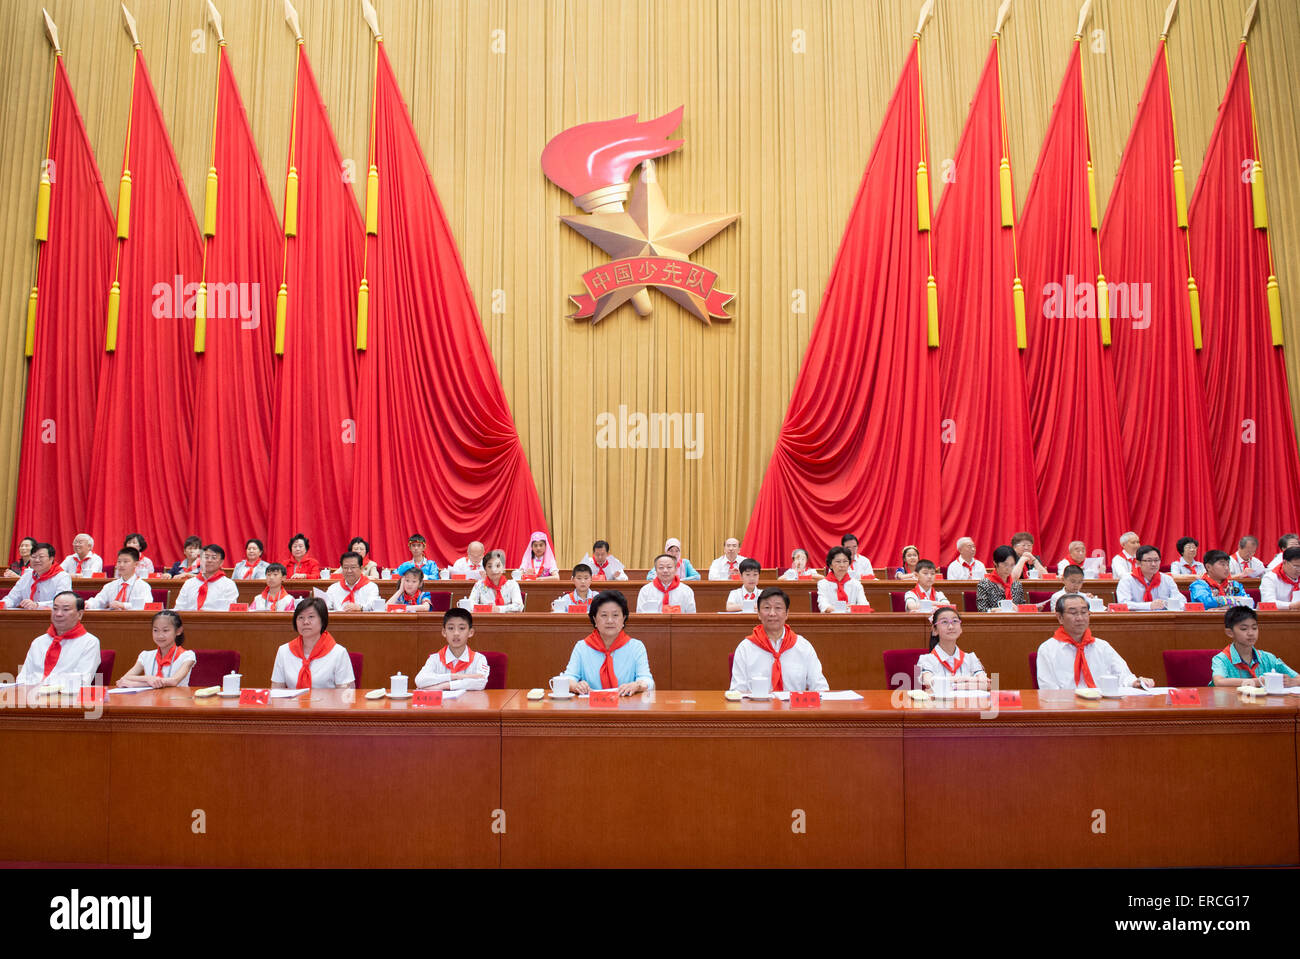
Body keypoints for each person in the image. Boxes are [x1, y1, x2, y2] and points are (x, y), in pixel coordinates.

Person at [1036, 594, 1154, 690]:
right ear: (1060, 617)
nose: (1080, 618)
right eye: (1073, 613)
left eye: (1084, 612)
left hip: (1102, 708)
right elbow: (1048, 689)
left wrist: (1135, 682)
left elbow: (1123, 674)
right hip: (1067, 711)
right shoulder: (1047, 649)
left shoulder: (1102, 646)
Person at [729, 587, 828, 693]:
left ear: (787, 614)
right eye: (766, 607)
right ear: (758, 613)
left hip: (794, 709)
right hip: (757, 708)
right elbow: (737, 693)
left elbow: (820, 687)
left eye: (778, 608)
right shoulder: (745, 648)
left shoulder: (803, 646)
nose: (772, 613)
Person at [560, 590, 653, 695]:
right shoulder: (582, 647)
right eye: (604, 615)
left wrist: (637, 685)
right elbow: (568, 678)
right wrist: (576, 686)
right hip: (591, 707)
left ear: (624, 619)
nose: (609, 620)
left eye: (615, 615)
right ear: (595, 620)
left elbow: (648, 680)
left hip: (625, 707)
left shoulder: (636, 647)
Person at [15, 591, 100, 686]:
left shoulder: (90, 642)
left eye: (66, 609)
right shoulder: (39, 642)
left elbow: (81, 681)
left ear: (80, 614)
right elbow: (22, 678)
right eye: (55, 609)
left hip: (67, 698)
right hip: (32, 697)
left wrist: (42, 684)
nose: (58, 614)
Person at [272, 598, 355, 689]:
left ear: (322, 621)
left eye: (311, 617)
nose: (305, 622)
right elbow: (277, 690)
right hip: (293, 703)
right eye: (300, 617)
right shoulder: (284, 651)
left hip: (328, 703)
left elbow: (347, 695)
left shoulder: (338, 653)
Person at [1210, 606, 1299, 687]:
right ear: (1230, 632)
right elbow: (1219, 682)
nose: (1251, 633)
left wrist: (1293, 682)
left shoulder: (1268, 658)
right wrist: (1258, 681)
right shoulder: (1221, 659)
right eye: (1244, 629)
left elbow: (1297, 678)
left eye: (1254, 628)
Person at [415, 608, 490, 690]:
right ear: (444, 632)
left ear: (470, 632)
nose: (456, 633)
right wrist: (455, 676)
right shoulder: (435, 658)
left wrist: (445, 686)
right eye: (451, 628)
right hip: (442, 703)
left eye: (462, 628)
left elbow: (481, 682)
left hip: (468, 702)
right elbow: (420, 680)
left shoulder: (479, 658)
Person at [116, 610, 195, 688]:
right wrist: (147, 678)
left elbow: (173, 681)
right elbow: (125, 678)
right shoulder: (145, 655)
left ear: (178, 631)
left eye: (165, 630)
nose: (160, 635)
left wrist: (135, 684)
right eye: (155, 630)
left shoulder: (187, 656)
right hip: (150, 699)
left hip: (176, 699)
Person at [916, 607, 988, 691]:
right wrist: (969, 681)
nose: (951, 626)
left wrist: (954, 686)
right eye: (944, 622)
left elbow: (986, 685)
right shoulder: (927, 660)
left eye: (955, 621)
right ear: (935, 630)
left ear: (961, 629)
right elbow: (930, 683)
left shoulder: (971, 658)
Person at [3, 542, 71, 609]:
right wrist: (3, 604)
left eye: (41, 557)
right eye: (33, 557)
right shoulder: (26, 576)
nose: (37, 560)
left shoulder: (62, 577)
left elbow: (63, 602)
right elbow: (12, 598)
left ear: (51, 559)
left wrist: (37, 605)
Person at [1116, 546, 1186, 610]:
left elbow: (1181, 601)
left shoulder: (1167, 579)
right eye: (1149, 560)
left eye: (1156, 560)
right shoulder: (1127, 580)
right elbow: (1123, 604)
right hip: (1137, 620)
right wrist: (1149, 605)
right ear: (1138, 563)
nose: (1153, 564)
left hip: (1163, 619)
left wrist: (1166, 604)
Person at [173, 545, 238, 611]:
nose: (209, 560)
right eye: (206, 557)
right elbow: (179, 609)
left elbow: (229, 612)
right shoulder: (189, 583)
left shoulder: (229, 585)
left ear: (221, 562)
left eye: (214, 558)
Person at [85, 547, 152, 610]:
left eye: (125, 562)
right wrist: (88, 604)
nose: (121, 565)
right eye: (119, 561)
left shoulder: (143, 586)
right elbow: (98, 601)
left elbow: (146, 604)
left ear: (136, 564)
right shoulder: (110, 586)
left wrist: (123, 605)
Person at [459, 550, 525, 612]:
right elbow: (471, 605)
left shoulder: (512, 584)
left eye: (497, 566)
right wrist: (488, 608)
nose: (494, 570)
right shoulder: (479, 585)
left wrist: (499, 609)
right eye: (490, 566)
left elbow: (519, 606)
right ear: (485, 569)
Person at [1187, 550, 1253, 610]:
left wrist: (1226, 607)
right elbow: (1207, 602)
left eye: (1228, 564)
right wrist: (1234, 599)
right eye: (1223, 564)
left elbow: (1249, 602)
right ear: (1208, 567)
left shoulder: (1235, 585)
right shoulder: (1199, 585)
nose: (1227, 568)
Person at [817, 546, 869, 612]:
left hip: (852, 620)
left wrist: (850, 609)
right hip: (830, 620)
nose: (842, 565)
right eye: (838, 561)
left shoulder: (856, 584)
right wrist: (845, 608)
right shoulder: (823, 584)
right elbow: (823, 605)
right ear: (830, 565)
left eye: (845, 561)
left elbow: (864, 605)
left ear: (849, 564)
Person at [976, 546, 1026, 612]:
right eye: (1005, 564)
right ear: (995, 563)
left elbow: (1022, 606)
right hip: (994, 621)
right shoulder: (984, 584)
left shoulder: (1016, 584)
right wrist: (994, 610)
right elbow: (981, 609)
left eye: (1012, 565)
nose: (1009, 568)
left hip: (1015, 620)